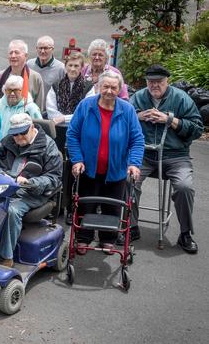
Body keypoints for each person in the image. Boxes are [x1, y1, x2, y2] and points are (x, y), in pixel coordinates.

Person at [67, 71, 144, 252]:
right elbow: (72, 135)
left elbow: (137, 139)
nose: (109, 91)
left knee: (112, 207)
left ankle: (107, 238)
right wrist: (77, 159)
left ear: (120, 89)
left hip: (115, 170)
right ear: (98, 87)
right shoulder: (86, 106)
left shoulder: (127, 110)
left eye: (113, 87)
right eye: (105, 86)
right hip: (88, 169)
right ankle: (83, 238)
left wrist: (134, 163)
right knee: (86, 205)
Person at [130, 64, 203, 253]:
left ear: (167, 81)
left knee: (184, 187)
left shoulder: (181, 98)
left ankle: (185, 233)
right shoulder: (138, 97)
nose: (155, 86)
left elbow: (197, 129)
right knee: (128, 180)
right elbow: (121, 121)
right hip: (144, 154)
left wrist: (170, 120)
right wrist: (137, 116)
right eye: (151, 82)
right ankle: (131, 226)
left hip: (175, 155)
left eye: (159, 82)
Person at [0, 113, 63, 267]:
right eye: (15, 134)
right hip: (5, 187)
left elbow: (54, 178)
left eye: (23, 132)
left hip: (32, 192)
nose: (18, 137)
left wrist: (31, 182)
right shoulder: (6, 141)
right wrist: (3, 175)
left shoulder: (48, 146)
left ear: (32, 127)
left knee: (11, 210)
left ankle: (6, 256)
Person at [0, 40, 46, 111]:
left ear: (26, 56)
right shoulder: (0, 76)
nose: (13, 56)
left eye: (17, 52)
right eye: (10, 53)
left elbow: (39, 106)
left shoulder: (35, 77)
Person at [46, 51, 94, 124]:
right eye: (70, 65)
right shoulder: (56, 85)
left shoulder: (89, 87)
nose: (72, 69)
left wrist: (63, 119)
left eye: (76, 66)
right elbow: (50, 110)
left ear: (81, 68)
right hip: (57, 128)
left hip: (79, 129)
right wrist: (63, 121)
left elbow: (86, 112)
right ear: (65, 66)